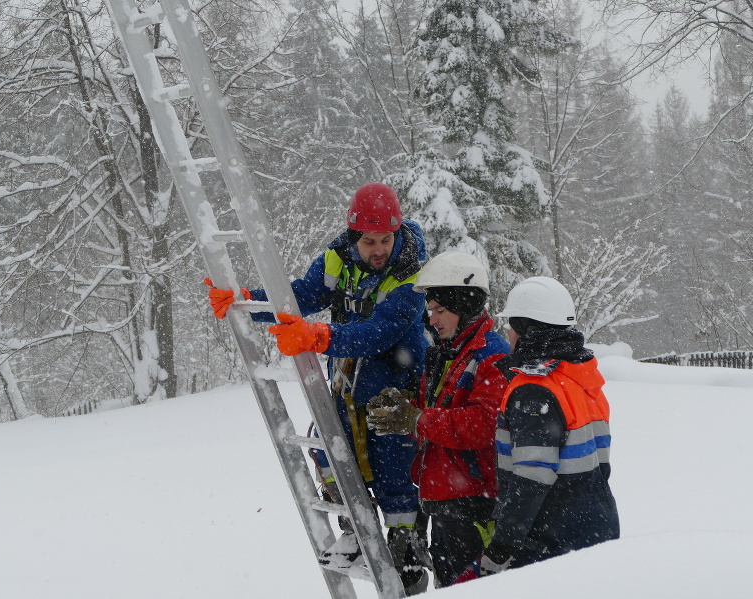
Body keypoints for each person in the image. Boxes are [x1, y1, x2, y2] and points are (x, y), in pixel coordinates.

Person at [204, 183, 430, 594]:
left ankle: (406, 546)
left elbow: (381, 332)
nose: (378, 249)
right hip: (347, 380)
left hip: (396, 382)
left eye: (385, 240)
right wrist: (246, 300)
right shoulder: (337, 258)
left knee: (393, 464)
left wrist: (322, 337)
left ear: (397, 234)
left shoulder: (413, 273)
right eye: (369, 241)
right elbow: (301, 296)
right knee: (331, 451)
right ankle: (354, 527)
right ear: (353, 235)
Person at [365, 251, 510, 588]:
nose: (432, 320)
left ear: (465, 304)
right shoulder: (446, 352)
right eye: (430, 311)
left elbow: (483, 426)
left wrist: (417, 419)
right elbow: (440, 407)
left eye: (439, 310)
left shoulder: (492, 355)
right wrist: (405, 406)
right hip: (444, 500)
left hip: (475, 506)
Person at [459, 276, 619, 580]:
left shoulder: (534, 390)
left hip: (550, 542)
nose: (508, 335)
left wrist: (501, 547)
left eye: (511, 327)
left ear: (526, 329)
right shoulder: (580, 378)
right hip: (595, 529)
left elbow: (532, 477)